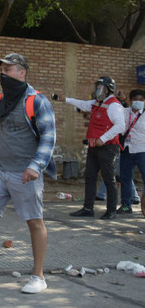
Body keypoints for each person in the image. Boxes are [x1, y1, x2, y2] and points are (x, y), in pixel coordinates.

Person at [0, 53, 56, 294]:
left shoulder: (37, 101)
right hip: (0, 170)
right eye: (1, 70)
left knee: (35, 222)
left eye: (8, 70)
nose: (2, 74)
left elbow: (48, 137)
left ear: (22, 72)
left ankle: (38, 276)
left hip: (26, 172)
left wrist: (36, 166)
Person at [55, 77, 126, 219]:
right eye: (97, 87)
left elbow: (120, 126)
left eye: (101, 88)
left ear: (109, 90)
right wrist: (65, 99)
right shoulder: (97, 103)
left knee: (108, 179)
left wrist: (103, 138)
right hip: (93, 146)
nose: (98, 90)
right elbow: (81, 103)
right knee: (90, 176)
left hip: (108, 147)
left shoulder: (114, 105)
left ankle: (111, 210)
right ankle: (88, 208)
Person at [117, 89, 145, 215]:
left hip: (142, 150)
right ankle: (126, 205)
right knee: (125, 178)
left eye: (141, 100)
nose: (138, 102)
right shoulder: (125, 112)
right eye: (135, 100)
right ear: (130, 101)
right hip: (127, 149)